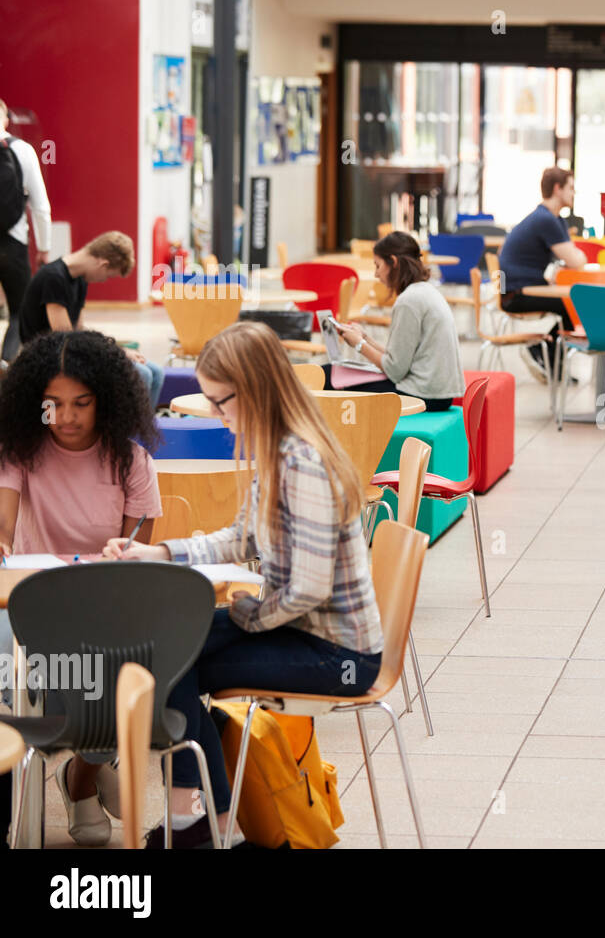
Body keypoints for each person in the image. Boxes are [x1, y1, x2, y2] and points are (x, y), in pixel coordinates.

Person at [103, 321, 384, 848]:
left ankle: (203, 820)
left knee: (166, 660)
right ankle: (208, 815)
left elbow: (308, 589)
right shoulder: (277, 451)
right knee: (159, 649)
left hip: (337, 653)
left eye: (220, 401)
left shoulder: (300, 463)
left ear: (253, 390)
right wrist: (160, 552)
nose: (216, 413)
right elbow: (240, 539)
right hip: (301, 629)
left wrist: (247, 616)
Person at [0, 330, 162, 846]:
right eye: (52, 405)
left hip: (104, 599)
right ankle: (79, 766)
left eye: (81, 404)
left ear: (107, 400)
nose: (65, 417)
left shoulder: (132, 462)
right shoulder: (20, 453)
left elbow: (136, 551)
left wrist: (121, 554)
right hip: (31, 598)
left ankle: (82, 776)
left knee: (121, 681)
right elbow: (2, 527)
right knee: (8, 674)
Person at [19, 231, 165, 407]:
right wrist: (116, 353)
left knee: (156, 372)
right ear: (103, 264)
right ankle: (128, 430)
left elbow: (79, 330)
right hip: (47, 356)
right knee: (141, 374)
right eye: (109, 275)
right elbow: (65, 337)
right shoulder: (53, 278)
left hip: (66, 349)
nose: (104, 280)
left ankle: (144, 429)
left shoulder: (80, 280)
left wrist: (115, 348)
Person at [325, 231, 465, 411]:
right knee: (336, 373)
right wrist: (366, 339)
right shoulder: (424, 292)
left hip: (423, 396)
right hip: (437, 394)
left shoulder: (409, 301)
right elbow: (401, 358)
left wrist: (359, 345)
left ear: (393, 262)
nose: (376, 274)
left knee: (330, 377)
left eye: (378, 266)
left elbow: (394, 370)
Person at [497, 167, 587, 379]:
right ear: (558, 189)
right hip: (515, 294)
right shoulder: (546, 220)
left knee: (570, 304)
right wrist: (579, 256)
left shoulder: (550, 218)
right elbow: (576, 261)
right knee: (571, 304)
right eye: (571, 188)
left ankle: (548, 359)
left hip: (520, 288)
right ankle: (546, 358)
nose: (574, 193)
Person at [0, 98, 52, 363]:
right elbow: (41, 206)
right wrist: (44, 248)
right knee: (20, 311)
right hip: (12, 244)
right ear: (7, 118)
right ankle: (7, 370)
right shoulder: (23, 150)